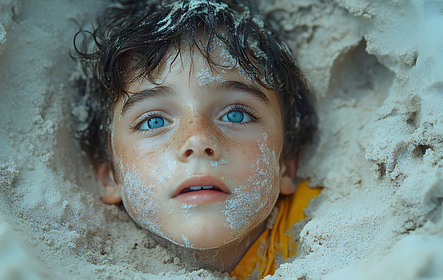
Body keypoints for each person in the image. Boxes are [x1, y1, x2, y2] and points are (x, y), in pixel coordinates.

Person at [72, 0, 321, 278]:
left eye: (236, 115)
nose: (198, 139)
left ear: (285, 162)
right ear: (110, 174)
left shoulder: (331, 230)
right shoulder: (85, 264)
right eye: (154, 121)